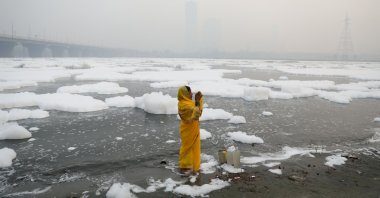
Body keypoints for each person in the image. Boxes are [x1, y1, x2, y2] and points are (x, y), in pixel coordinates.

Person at [177, 86, 203, 175]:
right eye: (190, 92)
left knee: (194, 148)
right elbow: (196, 114)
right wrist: (197, 101)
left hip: (193, 128)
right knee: (187, 148)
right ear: (184, 94)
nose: (191, 94)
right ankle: (185, 167)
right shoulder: (184, 105)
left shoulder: (188, 103)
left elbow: (198, 112)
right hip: (187, 130)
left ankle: (194, 166)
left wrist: (198, 101)